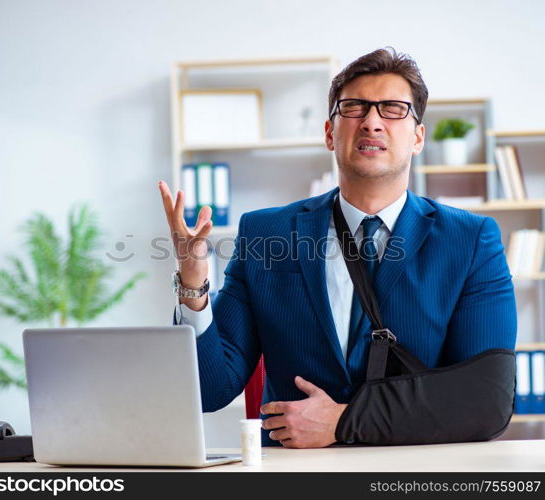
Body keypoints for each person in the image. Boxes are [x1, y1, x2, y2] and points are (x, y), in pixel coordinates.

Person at [158, 47, 516, 448]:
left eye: (393, 109)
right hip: (296, 475)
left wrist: (346, 420)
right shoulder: (265, 234)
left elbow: (488, 399)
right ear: (330, 133)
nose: (372, 122)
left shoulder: (471, 239)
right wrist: (193, 284)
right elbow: (209, 390)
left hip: (417, 471)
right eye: (354, 108)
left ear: (418, 137)